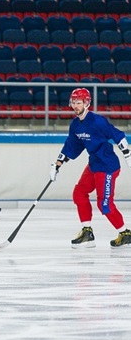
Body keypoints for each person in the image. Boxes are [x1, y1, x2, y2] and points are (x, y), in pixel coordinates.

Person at [49, 87, 131, 249]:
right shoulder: (75, 125)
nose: (75, 106)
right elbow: (71, 146)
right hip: (94, 164)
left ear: (86, 103)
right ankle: (87, 232)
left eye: (78, 102)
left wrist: (128, 155)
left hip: (107, 166)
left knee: (104, 204)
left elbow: (118, 135)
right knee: (79, 193)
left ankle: (125, 233)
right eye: (73, 102)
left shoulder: (98, 121)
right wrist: (57, 165)